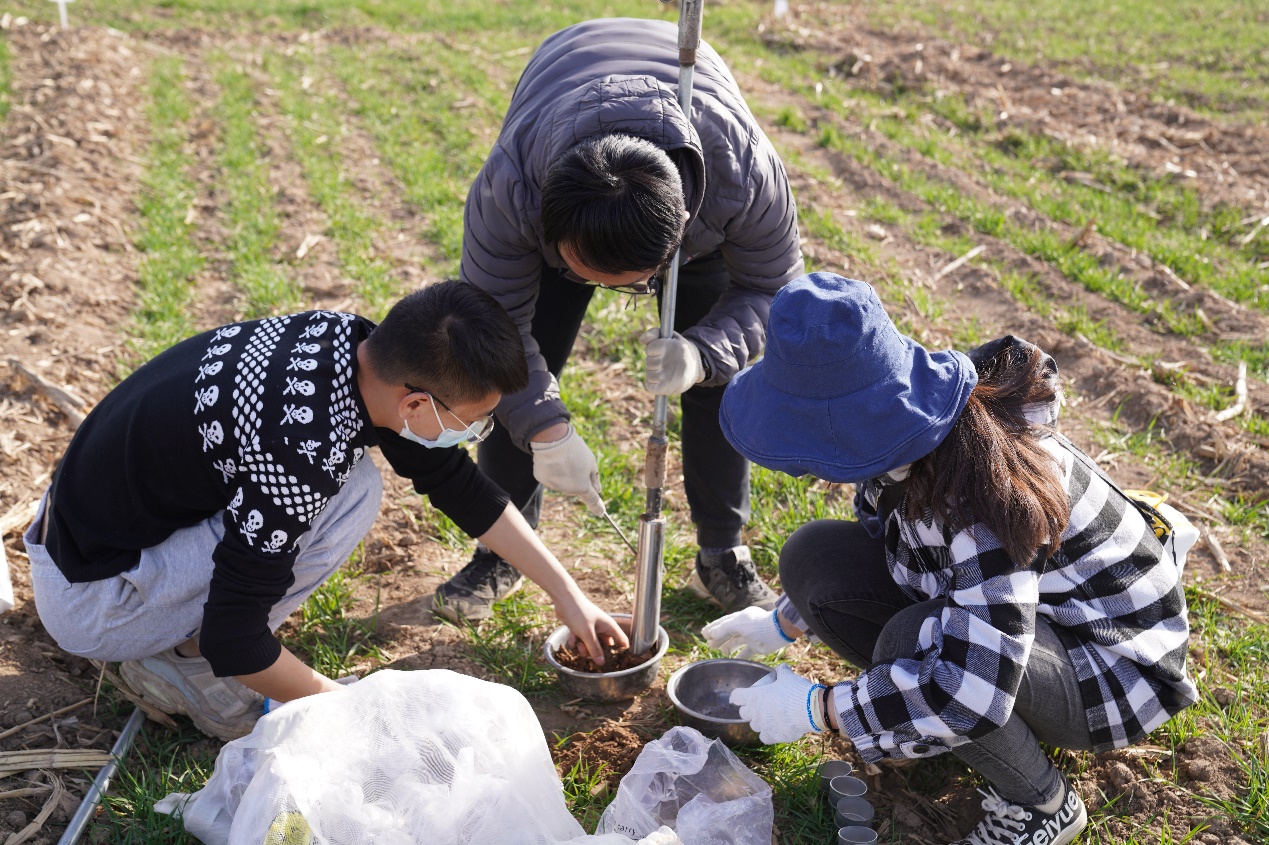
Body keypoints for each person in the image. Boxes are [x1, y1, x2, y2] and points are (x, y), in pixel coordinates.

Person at [702, 272, 1199, 845]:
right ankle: (927, 721)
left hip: (1111, 665)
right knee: (814, 555)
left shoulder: (985, 497)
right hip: (1028, 624)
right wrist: (783, 622)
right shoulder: (906, 436)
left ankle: (1043, 804)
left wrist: (823, 709)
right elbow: (889, 539)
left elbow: (973, 688)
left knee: (915, 645)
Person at [23, 281, 627, 741]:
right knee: (347, 496)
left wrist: (566, 592)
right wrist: (344, 708)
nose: (472, 434)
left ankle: (181, 646)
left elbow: (453, 482)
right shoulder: (301, 452)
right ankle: (186, 667)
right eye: (472, 422)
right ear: (416, 402)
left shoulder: (351, 346)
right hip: (93, 598)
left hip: (81, 531)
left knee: (352, 487)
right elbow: (237, 639)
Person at [441, 16, 805, 621]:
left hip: (697, 172)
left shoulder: (741, 173)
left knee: (722, 381)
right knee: (503, 376)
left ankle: (723, 554)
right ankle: (501, 551)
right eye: (585, 273)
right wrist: (544, 429)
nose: (615, 295)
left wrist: (705, 353)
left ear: (681, 233)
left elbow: (775, 289)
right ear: (552, 235)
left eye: (634, 283)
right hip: (566, 69)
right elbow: (493, 325)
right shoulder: (512, 188)